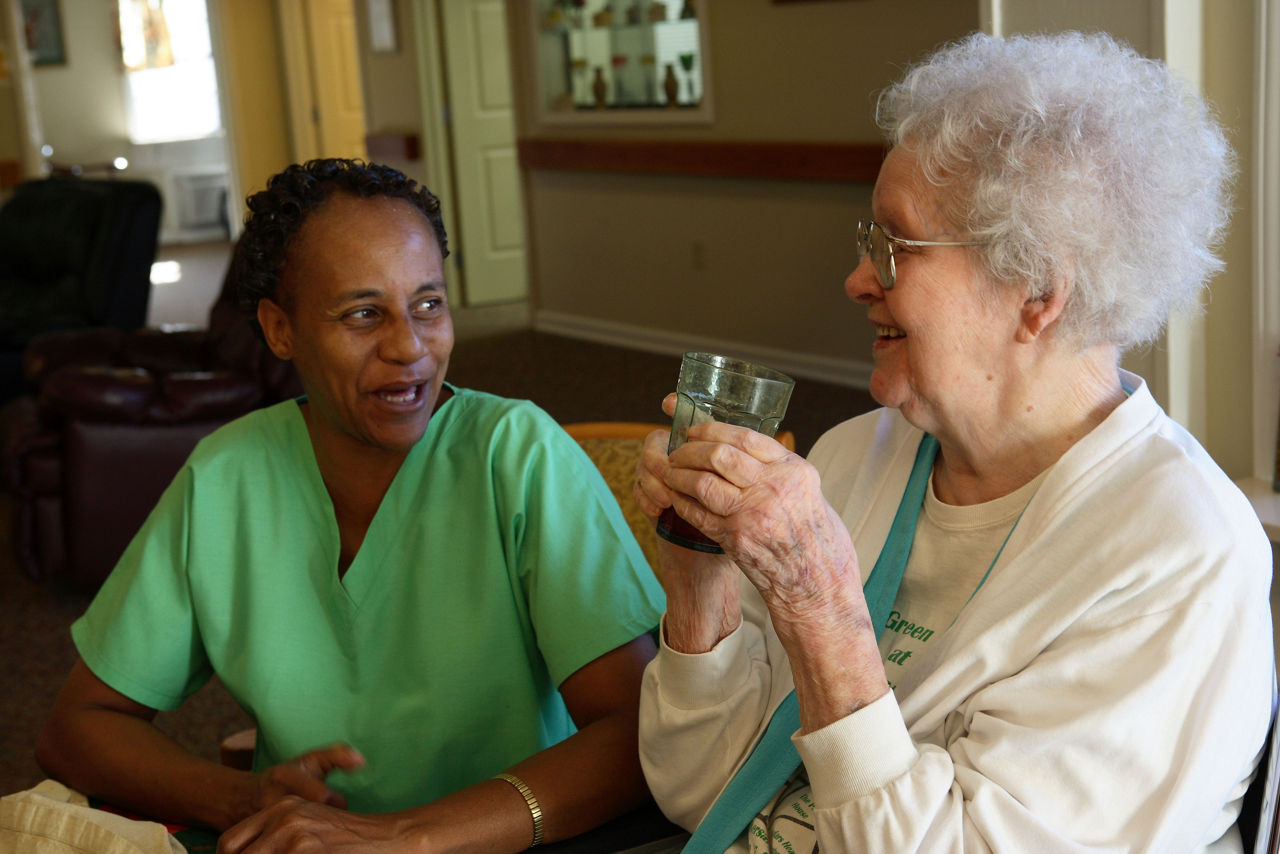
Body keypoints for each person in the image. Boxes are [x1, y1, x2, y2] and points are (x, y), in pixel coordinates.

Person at [633, 31, 1273, 852]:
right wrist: (699, 587)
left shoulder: (1177, 555)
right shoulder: (858, 455)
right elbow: (702, 795)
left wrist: (823, 611)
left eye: (895, 246)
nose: (859, 280)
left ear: (1037, 290)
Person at [35, 159, 666, 852]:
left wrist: (403, 839)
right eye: (363, 314)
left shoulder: (514, 455)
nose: (410, 347)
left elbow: (637, 733)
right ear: (281, 330)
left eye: (428, 304)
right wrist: (246, 797)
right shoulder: (228, 475)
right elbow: (78, 728)